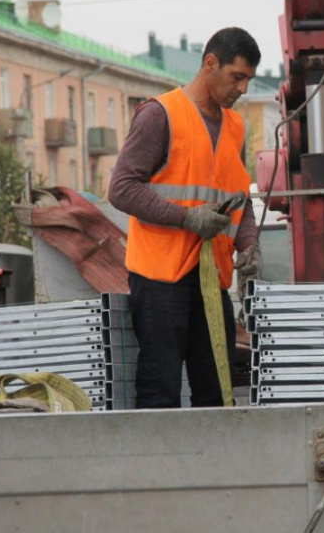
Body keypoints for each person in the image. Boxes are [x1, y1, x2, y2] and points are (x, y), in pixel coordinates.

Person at [108, 27, 262, 408]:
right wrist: (188, 219)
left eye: (248, 80)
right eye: (236, 77)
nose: (242, 89)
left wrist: (250, 243)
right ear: (210, 63)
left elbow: (239, 197)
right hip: (161, 277)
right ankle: (157, 469)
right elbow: (122, 189)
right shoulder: (160, 115)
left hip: (210, 280)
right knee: (160, 389)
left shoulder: (235, 126)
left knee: (216, 387)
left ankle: (209, 468)